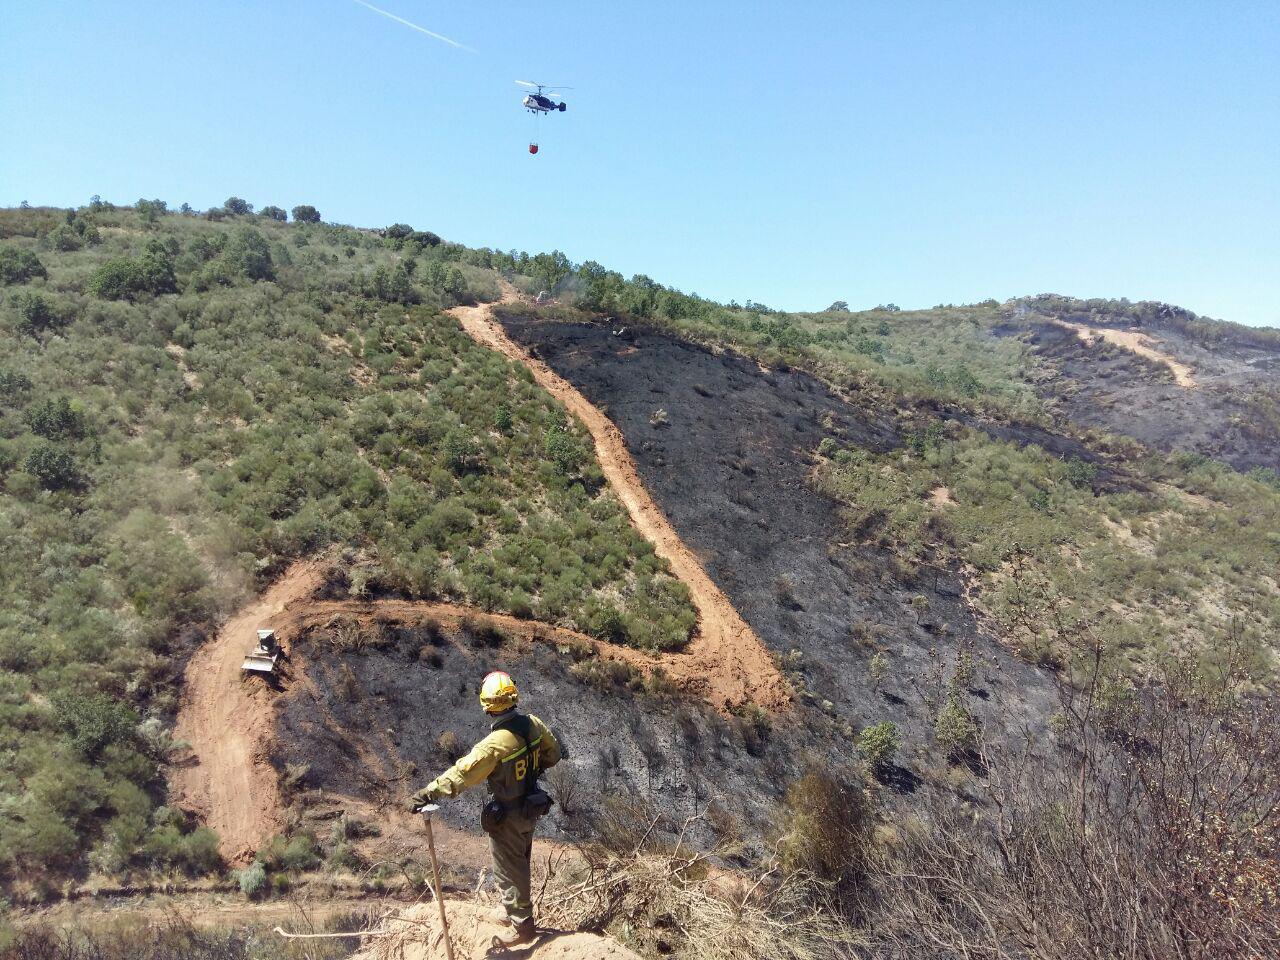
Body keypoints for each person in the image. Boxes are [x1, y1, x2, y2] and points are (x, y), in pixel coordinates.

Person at [407, 670, 563, 945]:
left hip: (509, 815)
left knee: (508, 869)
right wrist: (528, 771)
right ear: (514, 697)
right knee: (521, 861)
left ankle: (522, 928)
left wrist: (428, 792)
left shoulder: (493, 745)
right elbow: (554, 754)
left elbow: (461, 775)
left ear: (487, 705)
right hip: (532, 806)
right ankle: (516, 913)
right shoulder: (534, 725)